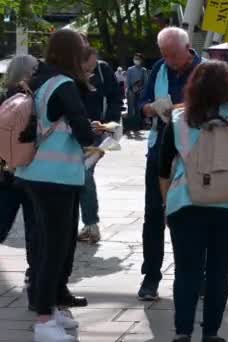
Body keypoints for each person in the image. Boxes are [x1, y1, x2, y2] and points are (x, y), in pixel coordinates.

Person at [158, 60, 228, 342]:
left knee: (186, 270)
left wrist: (168, 203)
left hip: (187, 202)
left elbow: (162, 167)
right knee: (220, 272)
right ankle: (212, 332)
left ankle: (182, 332)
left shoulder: (179, 119)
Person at [15, 28, 96, 342]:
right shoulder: (63, 84)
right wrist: (95, 131)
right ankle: (45, 319)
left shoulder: (40, 79)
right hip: (57, 177)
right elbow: (83, 135)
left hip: (35, 173)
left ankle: (52, 309)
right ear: (72, 53)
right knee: (55, 248)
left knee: (48, 244)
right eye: (83, 47)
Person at [137, 27, 204, 301]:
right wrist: (148, 108)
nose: (169, 61)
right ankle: (150, 277)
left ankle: (194, 277)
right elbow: (141, 101)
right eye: (164, 55)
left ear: (187, 49)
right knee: (154, 214)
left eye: (173, 55)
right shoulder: (158, 68)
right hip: (159, 151)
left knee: (193, 217)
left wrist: (179, 109)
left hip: (195, 153)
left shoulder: (206, 70)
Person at [76, 46, 122, 244]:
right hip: (73, 132)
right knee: (80, 176)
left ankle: (90, 223)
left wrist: (107, 125)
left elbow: (115, 99)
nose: (92, 68)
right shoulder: (68, 75)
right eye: (89, 64)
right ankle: (86, 223)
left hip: (97, 132)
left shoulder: (104, 70)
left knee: (84, 174)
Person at [0, 55, 38, 244]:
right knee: (33, 226)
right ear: (26, 73)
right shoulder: (31, 98)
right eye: (35, 69)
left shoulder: (5, 95)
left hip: (8, 168)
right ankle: (33, 272)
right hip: (22, 167)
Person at [125, 53, 148, 133]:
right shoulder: (130, 69)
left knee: (138, 109)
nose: (136, 60)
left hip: (140, 92)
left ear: (141, 60)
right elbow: (127, 82)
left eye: (138, 59)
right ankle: (130, 125)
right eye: (135, 58)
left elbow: (146, 83)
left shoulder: (143, 70)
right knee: (130, 109)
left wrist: (142, 90)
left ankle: (138, 125)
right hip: (131, 92)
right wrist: (128, 90)